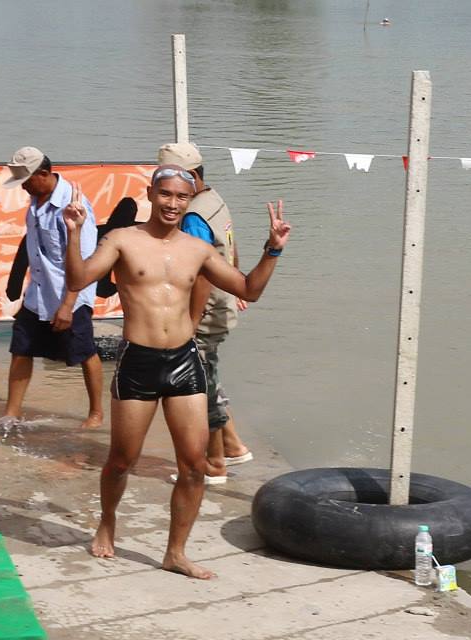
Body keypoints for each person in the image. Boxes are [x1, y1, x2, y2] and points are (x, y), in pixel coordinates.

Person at [63, 165, 290, 579]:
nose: (172, 203)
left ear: (190, 199)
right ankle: (107, 522)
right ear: (151, 193)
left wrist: (272, 249)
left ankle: (176, 553)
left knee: (193, 465)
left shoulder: (198, 249)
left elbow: (249, 290)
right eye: (165, 194)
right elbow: (78, 279)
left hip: (185, 361)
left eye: (181, 197)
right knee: (121, 461)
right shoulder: (122, 240)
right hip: (138, 362)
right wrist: (75, 233)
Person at [157, 142, 252, 484]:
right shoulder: (214, 199)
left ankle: (214, 464)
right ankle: (234, 446)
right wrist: (236, 282)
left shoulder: (193, 215)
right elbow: (232, 246)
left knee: (200, 388)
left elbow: (198, 274)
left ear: (192, 176)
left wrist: (190, 324)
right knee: (210, 375)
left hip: (205, 312)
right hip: (222, 303)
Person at [1, 146, 104, 428]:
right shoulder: (35, 201)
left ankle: (96, 413)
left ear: (44, 174)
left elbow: (84, 262)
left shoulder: (74, 206)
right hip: (38, 293)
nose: (23, 187)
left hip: (70, 295)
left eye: (26, 180)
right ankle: (11, 413)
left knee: (84, 352)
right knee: (21, 348)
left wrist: (68, 305)